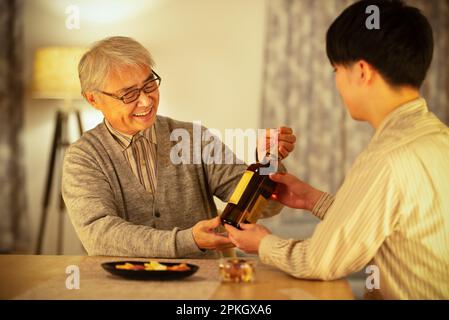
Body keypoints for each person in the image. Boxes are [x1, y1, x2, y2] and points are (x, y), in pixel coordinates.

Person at [225, 0, 449, 299]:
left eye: (335, 70)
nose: (337, 84)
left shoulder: (387, 158)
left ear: (361, 71)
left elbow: (320, 261)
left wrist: (262, 243)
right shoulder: (436, 138)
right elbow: (385, 226)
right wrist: (312, 199)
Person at [62, 36, 296, 258]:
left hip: (200, 287)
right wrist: (187, 241)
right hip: (122, 288)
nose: (145, 101)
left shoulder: (194, 138)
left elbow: (268, 207)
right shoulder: (84, 157)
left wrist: (268, 162)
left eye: (149, 85)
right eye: (129, 94)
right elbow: (99, 236)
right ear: (93, 99)